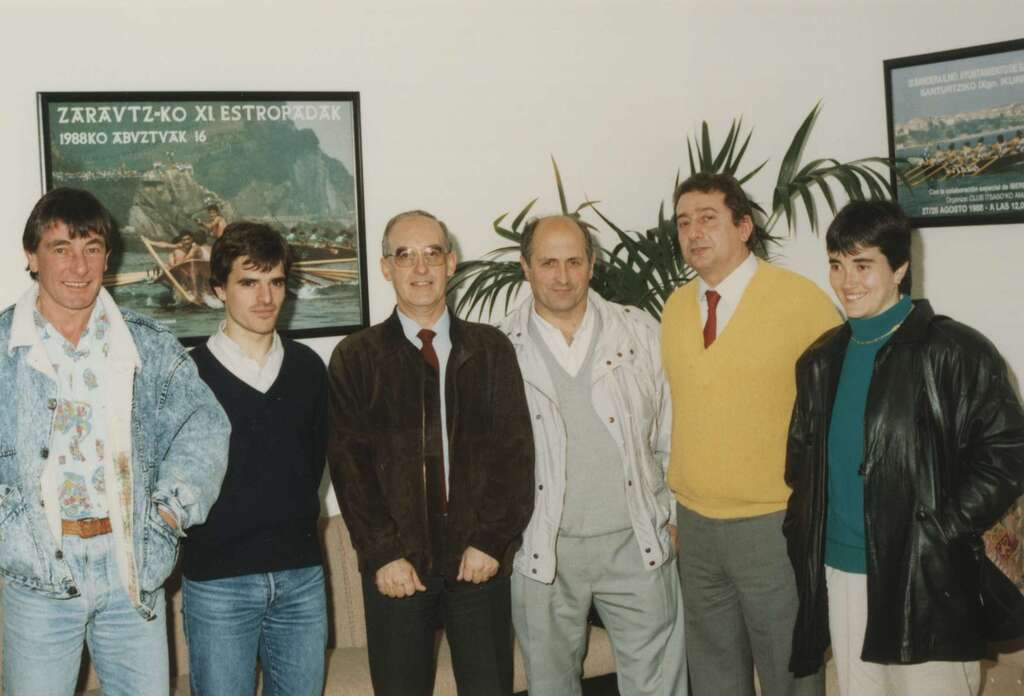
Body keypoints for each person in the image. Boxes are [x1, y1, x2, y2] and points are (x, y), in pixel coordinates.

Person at [785, 200, 1024, 696]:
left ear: (899, 269)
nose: (847, 281)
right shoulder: (819, 360)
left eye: (863, 265)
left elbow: (1008, 453)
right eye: (836, 264)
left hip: (927, 577)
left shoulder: (955, 350)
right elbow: (801, 466)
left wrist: (944, 527)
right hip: (842, 574)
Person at [0, 187, 230, 695]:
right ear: (31, 257)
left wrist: (169, 513)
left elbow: (205, 428)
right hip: (39, 577)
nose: (78, 266)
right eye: (61, 248)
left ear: (108, 256)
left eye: (92, 248)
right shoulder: (2, 351)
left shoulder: (149, 344)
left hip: (132, 569)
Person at [327, 210, 535, 696]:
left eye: (431, 254)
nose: (420, 268)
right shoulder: (355, 358)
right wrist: (384, 554)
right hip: (397, 568)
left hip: (477, 563)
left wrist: (490, 541)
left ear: (451, 262)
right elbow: (350, 470)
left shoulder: (491, 350)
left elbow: (515, 455)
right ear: (385, 268)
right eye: (404, 256)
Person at [661, 172, 838, 696]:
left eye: (708, 219)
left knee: (789, 669)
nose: (694, 232)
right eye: (684, 223)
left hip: (773, 524)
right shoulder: (674, 308)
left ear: (744, 226)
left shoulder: (800, 301)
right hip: (694, 526)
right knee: (713, 673)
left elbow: (835, 412)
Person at [503, 215, 687, 696]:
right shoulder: (500, 348)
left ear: (591, 265)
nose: (562, 276)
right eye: (548, 263)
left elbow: (673, 429)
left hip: (637, 541)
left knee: (658, 686)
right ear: (526, 267)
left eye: (574, 261)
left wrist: (673, 516)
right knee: (550, 685)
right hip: (544, 549)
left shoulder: (639, 332)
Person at [181, 222, 328, 696]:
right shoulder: (188, 376)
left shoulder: (308, 368)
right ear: (219, 289)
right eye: (249, 282)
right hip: (218, 584)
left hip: (301, 577)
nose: (265, 297)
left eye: (276, 281)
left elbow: (312, 463)